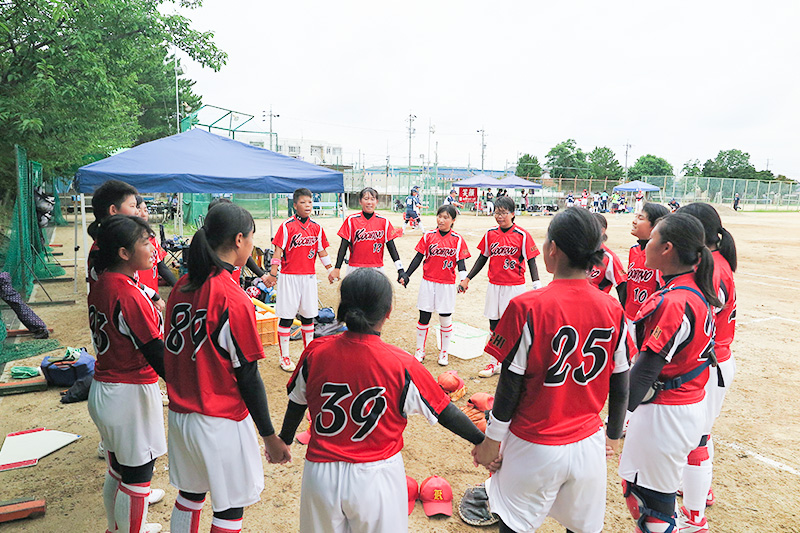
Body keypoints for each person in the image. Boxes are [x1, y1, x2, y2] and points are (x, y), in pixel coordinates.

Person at [278, 268, 486, 533]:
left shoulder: (315, 352)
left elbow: (297, 401)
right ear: (387, 312)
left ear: (343, 307)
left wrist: (284, 439)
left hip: (321, 475)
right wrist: (482, 442)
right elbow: (444, 411)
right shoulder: (401, 363)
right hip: (376, 475)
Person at [472, 207, 631, 533]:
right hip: (588, 445)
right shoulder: (613, 308)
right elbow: (621, 380)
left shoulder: (528, 306)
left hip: (534, 442)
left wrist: (492, 441)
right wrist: (613, 434)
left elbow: (510, 383)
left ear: (553, 249)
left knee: (514, 525)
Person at [164, 202, 291, 533]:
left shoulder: (182, 284)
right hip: (218, 417)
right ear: (239, 240)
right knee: (230, 508)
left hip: (181, 414)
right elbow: (248, 375)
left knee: (190, 496)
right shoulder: (231, 297)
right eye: (250, 237)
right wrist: (269, 436)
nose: (251, 244)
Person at [619, 213, 721, 533]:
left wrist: (610, 421)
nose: (645, 245)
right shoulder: (694, 289)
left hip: (666, 413)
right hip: (686, 407)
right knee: (653, 499)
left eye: (652, 240)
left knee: (650, 506)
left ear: (667, 249)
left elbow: (646, 371)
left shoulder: (674, 301)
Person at [87, 215, 168, 533]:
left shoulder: (105, 280)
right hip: (128, 393)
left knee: (119, 471)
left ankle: (115, 528)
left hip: (107, 387)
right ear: (123, 252)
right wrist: (185, 387)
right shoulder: (127, 293)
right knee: (136, 477)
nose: (152, 248)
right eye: (145, 242)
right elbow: (156, 354)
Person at [675, 203, 738, 532]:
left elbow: (697, 323)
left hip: (710, 364)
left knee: (696, 438)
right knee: (700, 433)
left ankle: (694, 518)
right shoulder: (716, 263)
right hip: (718, 361)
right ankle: (699, 489)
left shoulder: (711, 269)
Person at [458, 196, 542, 378]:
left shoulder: (522, 235)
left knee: (515, 326)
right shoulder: (490, 234)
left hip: (515, 287)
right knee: (494, 325)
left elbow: (532, 261)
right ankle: (495, 362)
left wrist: (537, 285)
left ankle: (516, 362)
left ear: (513, 214)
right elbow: (482, 259)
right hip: (494, 285)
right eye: (497, 212)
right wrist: (467, 279)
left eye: (503, 213)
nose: (499, 216)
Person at [264, 188, 332, 372]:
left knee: (308, 317)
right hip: (289, 278)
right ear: (295, 205)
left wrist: (330, 270)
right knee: (287, 317)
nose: (307, 205)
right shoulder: (287, 227)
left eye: (309, 202)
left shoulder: (317, 227)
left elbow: (322, 251)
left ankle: (308, 354)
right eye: (303, 202)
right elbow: (277, 252)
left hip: (308, 278)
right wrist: (272, 273)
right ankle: (284, 357)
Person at [399, 204, 470, 366]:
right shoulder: (428, 236)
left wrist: (464, 280)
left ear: (453, 220)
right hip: (428, 282)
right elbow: (418, 258)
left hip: (447, 285)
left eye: (446, 217)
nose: (441, 220)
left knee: (445, 318)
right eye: (439, 216)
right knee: (424, 316)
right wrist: (407, 275)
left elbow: (461, 263)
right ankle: (419, 350)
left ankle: (444, 352)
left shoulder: (457, 240)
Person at [88, 180, 165, 313]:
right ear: (113, 210)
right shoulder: (105, 250)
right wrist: (149, 295)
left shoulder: (123, 243)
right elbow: (120, 285)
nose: (137, 212)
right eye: (133, 206)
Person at [328, 187, 404, 283]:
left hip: (377, 268)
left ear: (377, 201)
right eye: (366, 199)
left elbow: (391, 247)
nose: (369, 202)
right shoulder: (351, 220)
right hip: (355, 268)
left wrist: (400, 269)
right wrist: (337, 268)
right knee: (353, 297)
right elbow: (343, 246)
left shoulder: (384, 222)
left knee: (376, 297)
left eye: (372, 199)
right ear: (360, 201)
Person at [624, 203, 670, 342]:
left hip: (647, 321)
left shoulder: (660, 255)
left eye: (640, 218)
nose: (634, 221)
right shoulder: (634, 250)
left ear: (654, 226)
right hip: (629, 317)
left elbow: (664, 292)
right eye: (635, 216)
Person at [207, 197, 269, 286]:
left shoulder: (235, 240)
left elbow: (247, 258)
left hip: (234, 285)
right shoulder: (208, 246)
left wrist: (262, 275)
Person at [135, 195, 177, 290]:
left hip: (152, 296)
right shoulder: (128, 240)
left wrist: (178, 287)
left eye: (145, 210)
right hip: (138, 296)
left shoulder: (151, 238)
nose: (143, 214)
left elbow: (162, 267)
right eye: (138, 209)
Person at [588, 212, 627, 305]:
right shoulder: (575, 253)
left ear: (602, 231)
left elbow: (622, 287)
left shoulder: (608, 258)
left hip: (594, 309)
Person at [0, 271, 48, 338]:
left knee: (17, 304)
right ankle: (39, 327)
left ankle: (39, 328)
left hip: (2, 280)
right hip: (3, 279)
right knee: (18, 304)